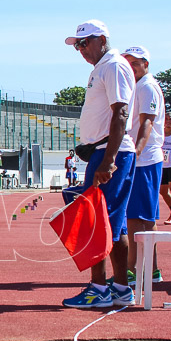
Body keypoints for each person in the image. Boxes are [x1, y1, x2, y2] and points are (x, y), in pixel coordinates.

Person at [61, 20, 136, 309]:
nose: (80, 49)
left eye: (85, 42)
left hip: (110, 154)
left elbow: (121, 113)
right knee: (115, 225)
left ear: (102, 39)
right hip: (103, 151)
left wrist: (108, 159)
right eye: (77, 45)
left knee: (96, 224)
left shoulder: (113, 65)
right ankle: (120, 288)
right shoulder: (102, 67)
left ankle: (99, 289)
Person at [120, 47, 165, 288]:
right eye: (127, 63)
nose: (131, 67)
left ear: (146, 63)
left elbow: (147, 120)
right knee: (145, 217)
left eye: (135, 63)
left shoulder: (146, 86)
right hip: (146, 159)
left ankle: (134, 269)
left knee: (137, 217)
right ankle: (149, 269)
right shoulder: (141, 85)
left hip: (144, 159)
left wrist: (136, 152)